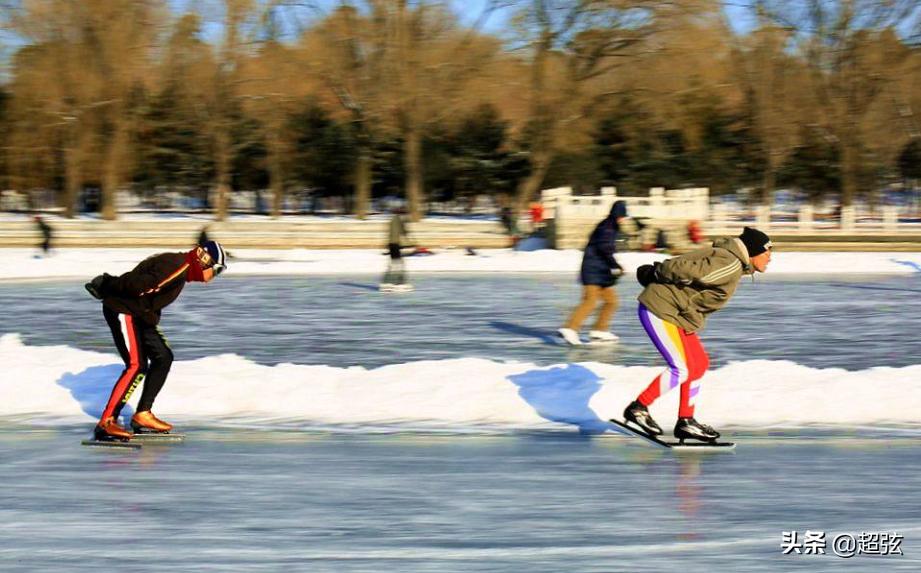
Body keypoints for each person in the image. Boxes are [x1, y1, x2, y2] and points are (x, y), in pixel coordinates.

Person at [623, 226, 773, 443]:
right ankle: (638, 408)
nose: (770, 258)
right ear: (753, 251)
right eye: (768, 252)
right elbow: (694, 272)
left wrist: (659, 272)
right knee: (681, 367)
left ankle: (686, 421)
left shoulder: (730, 261)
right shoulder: (730, 264)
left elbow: (691, 268)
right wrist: (658, 272)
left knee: (699, 363)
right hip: (661, 310)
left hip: (677, 315)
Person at [84, 240, 228, 441]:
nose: (214, 276)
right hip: (123, 310)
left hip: (139, 315)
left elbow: (145, 291)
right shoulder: (177, 267)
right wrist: (108, 285)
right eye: (217, 270)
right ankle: (107, 422)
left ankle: (143, 414)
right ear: (205, 260)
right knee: (136, 366)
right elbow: (137, 287)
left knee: (163, 356)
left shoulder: (181, 268)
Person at [558, 200, 629, 345]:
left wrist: (613, 266)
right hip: (593, 270)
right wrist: (614, 265)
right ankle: (570, 328)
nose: (623, 218)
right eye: (622, 215)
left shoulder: (610, 225)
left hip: (601, 272)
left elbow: (605, 248)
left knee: (611, 301)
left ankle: (599, 330)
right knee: (590, 301)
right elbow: (605, 247)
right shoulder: (607, 227)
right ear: (618, 214)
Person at [381, 207, 411, 289]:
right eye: (404, 214)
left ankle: (386, 283)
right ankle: (399, 283)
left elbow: (396, 232)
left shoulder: (394, 220)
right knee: (398, 264)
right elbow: (403, 232)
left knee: (394, 263)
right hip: (395, 244)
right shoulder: (398, 220)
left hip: (392, 244)